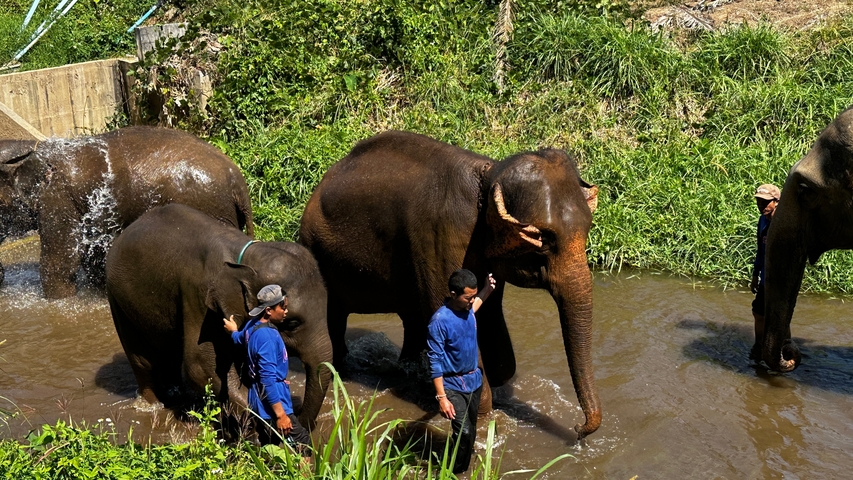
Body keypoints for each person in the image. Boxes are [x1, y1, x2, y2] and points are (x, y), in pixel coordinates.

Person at [223, 284, 312, 458]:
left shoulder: (252, 324)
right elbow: (267, 379)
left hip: (257, 399)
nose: (286, 311)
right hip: (272, 403)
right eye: (283, 308)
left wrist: (233, 331)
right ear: (269, 311)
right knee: (303, 443)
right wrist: (281, 415)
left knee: (270, 444)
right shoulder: (268, 338)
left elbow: (240, 339)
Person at [427, 269, 496, 474]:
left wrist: (487, 289)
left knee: (470, 431)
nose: (471, 301)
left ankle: (461, 469)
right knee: (464, 431)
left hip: (473, 381)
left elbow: (478, 302)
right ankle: (450, 473)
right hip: (451, 385)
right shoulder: (440, 321)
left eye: (473, 296)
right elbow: (434, 361)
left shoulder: (468, 310)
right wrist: (441, 397)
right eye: (468, 297)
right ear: (454, 294)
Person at [749, 184, 780, 362]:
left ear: (777, 202)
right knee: (758, 313)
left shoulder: (783, 222)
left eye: (765, 202)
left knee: (780, 317)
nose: (761, 206)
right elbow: (760, 250)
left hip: (780, 281)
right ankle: (758, 345)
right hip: (765, 278)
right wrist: (755, 275)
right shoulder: (762, 220)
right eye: (759, 202)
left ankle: (785, 347)